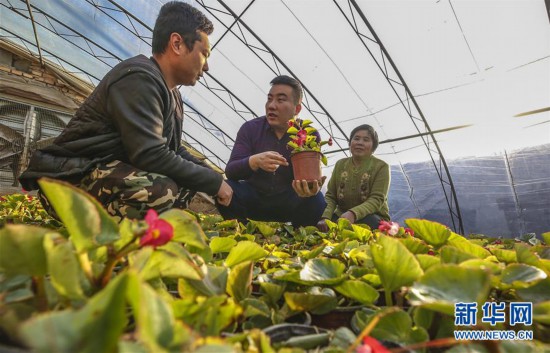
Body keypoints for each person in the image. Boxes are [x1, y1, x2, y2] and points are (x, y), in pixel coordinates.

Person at [18, 1, 232, 220]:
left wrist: (216, 178)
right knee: (160, 189)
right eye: (204, 53)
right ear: (177, 43)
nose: (206, 66)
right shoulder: (139, 79)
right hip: (68, 182)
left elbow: (174, 150)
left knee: (189, 182)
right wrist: (214, 183)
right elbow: (151, 155)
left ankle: (137, 239)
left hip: (99, 176)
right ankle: (108, 245)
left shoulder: (171, 93)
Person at [217, 75, 326, 227]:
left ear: (297, 108)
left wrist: (310, 187)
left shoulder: (308, 134)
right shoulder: (250, 129)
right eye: (269, 99)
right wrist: (253, 161)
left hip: (289, 201)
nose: (271, 105)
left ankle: (298, 236)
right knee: (225, 187)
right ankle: (241, 230)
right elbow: (231, 171)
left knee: (317, 199)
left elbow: (312, 176)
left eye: (280, 100)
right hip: (254, 198)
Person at [317, 124, 390, 231]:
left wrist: (353, 214)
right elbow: (331, 196)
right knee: (323, 225)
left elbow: (377, 199)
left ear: (373, 146)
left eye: (366, 140)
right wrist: (325, 217)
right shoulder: (340, 164)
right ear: (350, 143)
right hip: (342, 216)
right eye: (356, 138)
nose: (360, 143)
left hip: (372, 216)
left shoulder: (381, 166)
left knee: (371, 224)